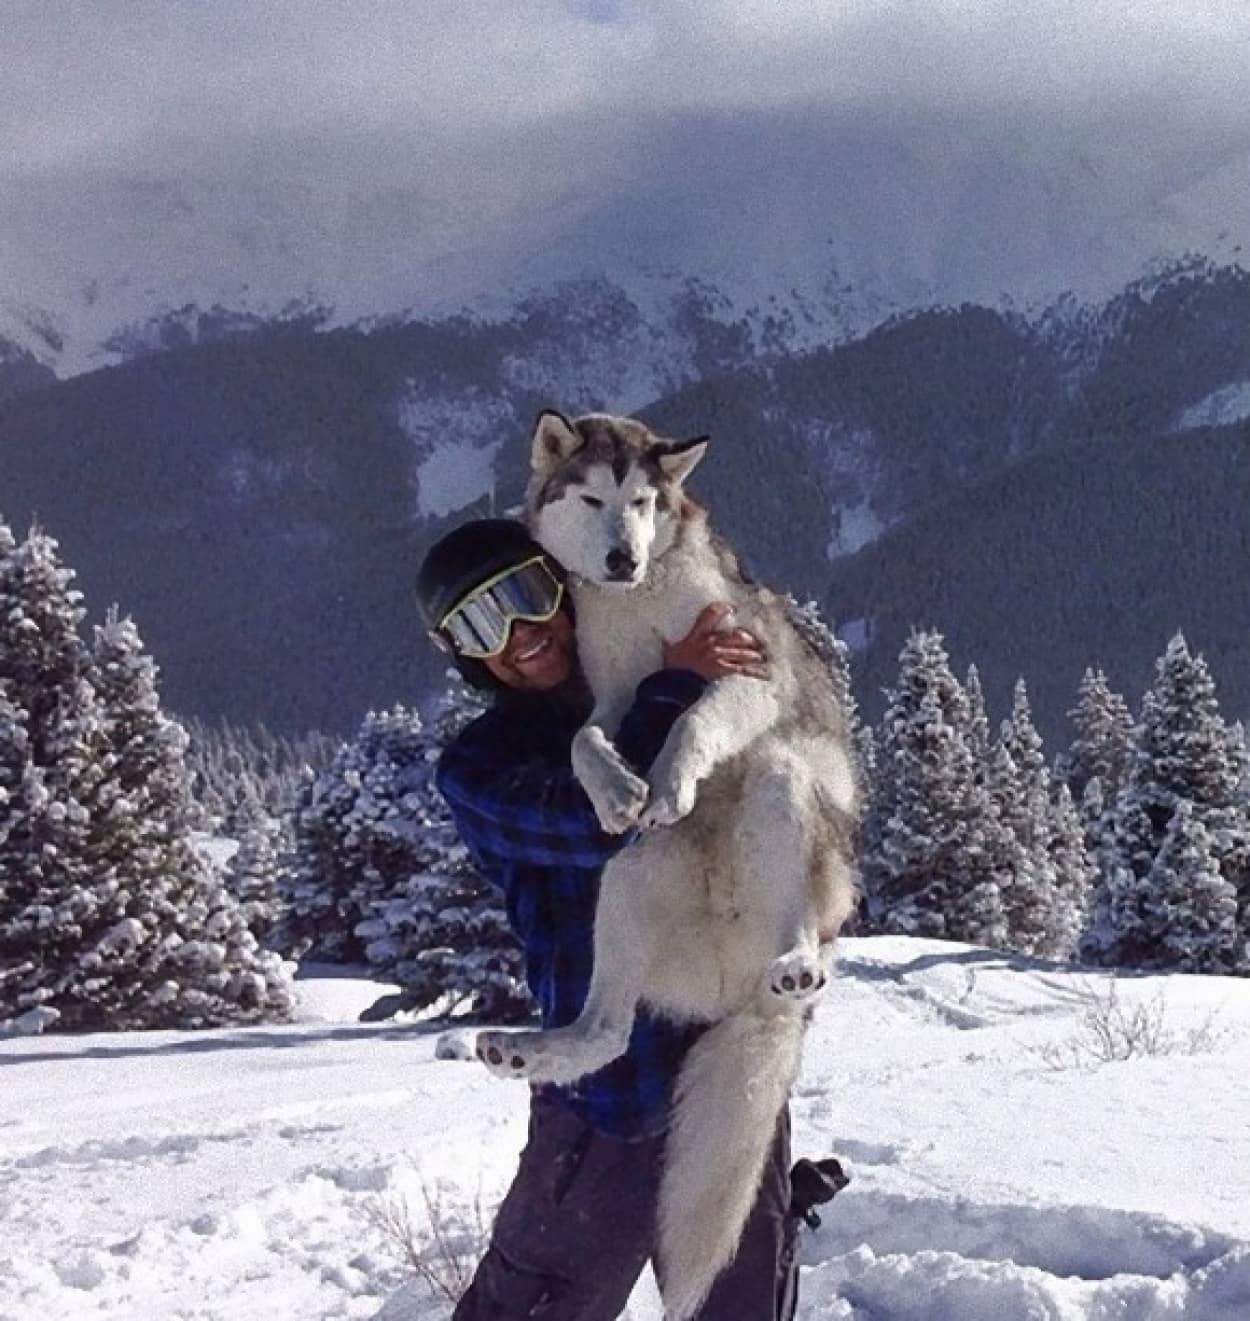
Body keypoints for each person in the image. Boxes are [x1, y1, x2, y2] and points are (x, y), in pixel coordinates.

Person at [416, 517, 800, 1320]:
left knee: (741, 1307)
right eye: (482, 625)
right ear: (465, 657)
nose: (520, 635)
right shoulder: (480, 768)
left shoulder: (672, 682)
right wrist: (673, 688)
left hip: (725, 1069)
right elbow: (606, 818)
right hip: (603, 1099)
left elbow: (781, 807)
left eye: (526, 595)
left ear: (568, 585)